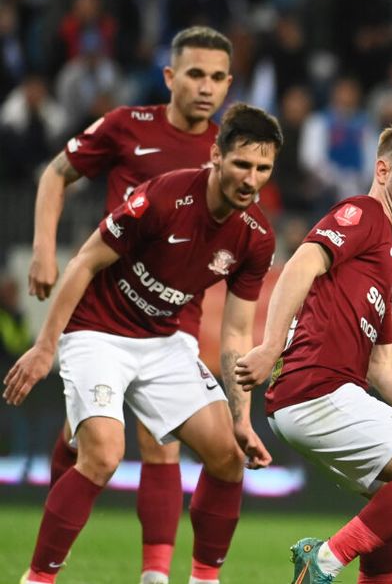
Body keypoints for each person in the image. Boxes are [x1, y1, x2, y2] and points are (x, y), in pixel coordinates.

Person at [4, 104, 283, 584]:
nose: (251, 179)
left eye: (263, 168)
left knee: (227, 458)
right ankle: (38, 578)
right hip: (98, 332)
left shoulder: (255, 237)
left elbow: (237, 334)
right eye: (241, 164)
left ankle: (202, 579)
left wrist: (242, 419)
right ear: (216, 156)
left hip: (164, 341)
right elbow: (85, 263)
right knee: (106, 455)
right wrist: (46, 346)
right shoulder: (165, 195)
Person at [27, 25, 234, 584]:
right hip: (102, 309)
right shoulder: (127, 126)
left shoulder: (225, 154)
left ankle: (155, 575)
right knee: (92, 446)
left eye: (217, 77)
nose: (205, 87)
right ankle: (47, 558)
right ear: (170, 76)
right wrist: (44, 251)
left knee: (159, 442)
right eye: (195, 74)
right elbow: (56, 173)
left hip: (173, 319)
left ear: (229, 84)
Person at [235, 124, 392, 584]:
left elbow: (383, 365)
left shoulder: (383, 256)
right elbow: (300, 264)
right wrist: (269, 345)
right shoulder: (362, 214)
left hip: (313, 398)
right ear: (383, 170)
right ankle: (322, 561)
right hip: (317, 390)